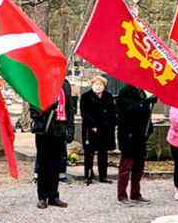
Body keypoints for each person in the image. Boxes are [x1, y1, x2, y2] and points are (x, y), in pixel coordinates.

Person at [31, 79, 73, 209]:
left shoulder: (64, 84)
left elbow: (69, 107)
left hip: (59, 128)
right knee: (44, 163)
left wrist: (70, 128)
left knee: (56, 164)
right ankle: (42, 196)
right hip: (44, 128)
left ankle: (54, 195)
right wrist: (48, 109)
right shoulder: (39, 81)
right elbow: (33, 107)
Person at [115, 84, 156, 206]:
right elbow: (128, 112)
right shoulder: (125, 92)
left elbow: (146, 114)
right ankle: (122, 195)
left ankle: (135, 193)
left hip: (140, 135)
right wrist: (145, 103)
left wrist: (149, 129)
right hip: (128, 135)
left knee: (139, 167)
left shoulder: (142, 92)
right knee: (126, 166)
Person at [79, 75, 116, 185]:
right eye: (96, 84)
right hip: (90, 129)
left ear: (104, 86)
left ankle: (103, 175)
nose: (98, 87)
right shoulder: (85, 96)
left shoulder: (108, 96)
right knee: (89, 153)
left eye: (100, 85)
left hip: (105, 129)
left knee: (103, 153)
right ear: (92, 85)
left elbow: (112, 112)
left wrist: (112, 124)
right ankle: (88, 175)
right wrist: (92, 125)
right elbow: (84, 113)